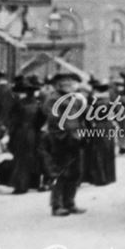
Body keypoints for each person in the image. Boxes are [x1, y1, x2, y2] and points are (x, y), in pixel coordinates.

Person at [43, 73, 86, 216]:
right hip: (61, 141)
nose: (68, 83)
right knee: (61, 173)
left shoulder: (75, 98)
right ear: (57, 84)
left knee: (75, 172)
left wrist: (83, 133)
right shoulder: (53, 99)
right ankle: (57, 205)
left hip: (75, 140)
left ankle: (70, 202)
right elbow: (54, 122)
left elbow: (80, 119)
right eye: (64, 81)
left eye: (70, 81)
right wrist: (64, 136)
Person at [7, 77, 47, 194]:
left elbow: (12, 119)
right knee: (31, 157)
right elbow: (42, 120)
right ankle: (32, 182)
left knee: (20, 159)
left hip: (20, 132)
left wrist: (11, 134)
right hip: (32, 133)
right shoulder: (38, 105)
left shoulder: (19, 104)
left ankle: (21, 184)